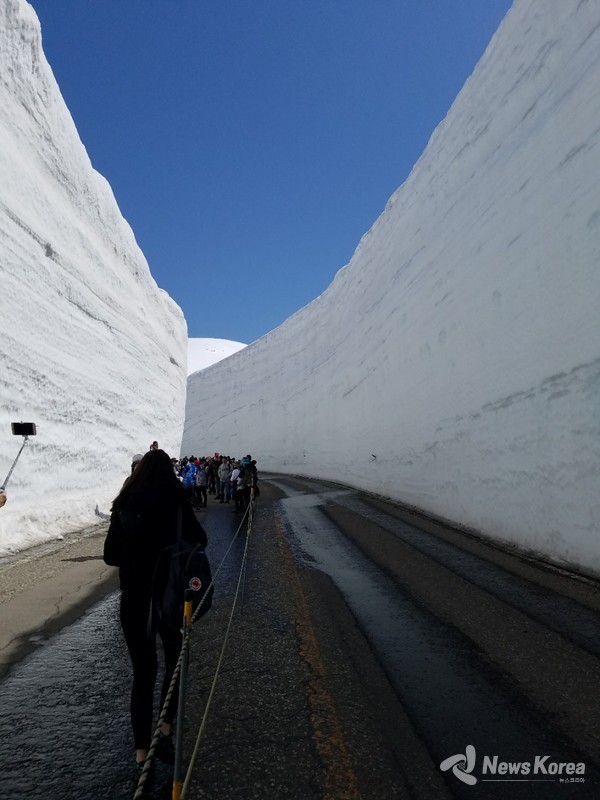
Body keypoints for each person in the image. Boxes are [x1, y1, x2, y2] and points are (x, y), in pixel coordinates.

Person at [103, 449, 208, 775]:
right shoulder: (176, 500)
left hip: (134, 600)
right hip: (170, 599)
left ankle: (140, 752)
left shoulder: (123, 504)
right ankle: (165, 728)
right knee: (175, 660)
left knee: (142, 674)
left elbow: (110, 556)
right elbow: (200, 540)